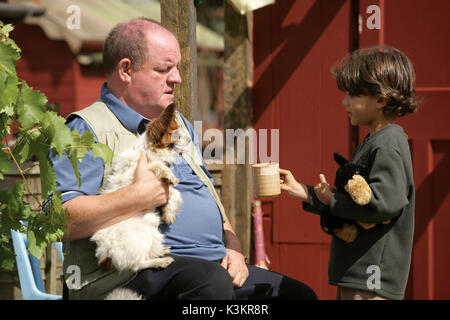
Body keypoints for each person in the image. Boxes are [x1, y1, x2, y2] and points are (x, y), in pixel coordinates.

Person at [53, 17, 316, 300]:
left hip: (210, 269)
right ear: (126, 70)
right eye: (164, 69)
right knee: (210, 283)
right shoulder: (86, 129)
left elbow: (205, 196)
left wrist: (233, 246)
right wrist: (137, 196)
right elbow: (59, 221)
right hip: (129, 275)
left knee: (295, 296)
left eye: (176, 68)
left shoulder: (179, 124)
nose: (176, 78)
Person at [280, 46, 417, 300]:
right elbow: (355, 204)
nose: (345, 102)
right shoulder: (375, 140)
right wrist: (306, 193)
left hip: (372, 280)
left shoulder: (387, 144)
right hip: (359, 275)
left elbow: (383, 205)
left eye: (353, 95)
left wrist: (332, 200)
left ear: (380, 99)